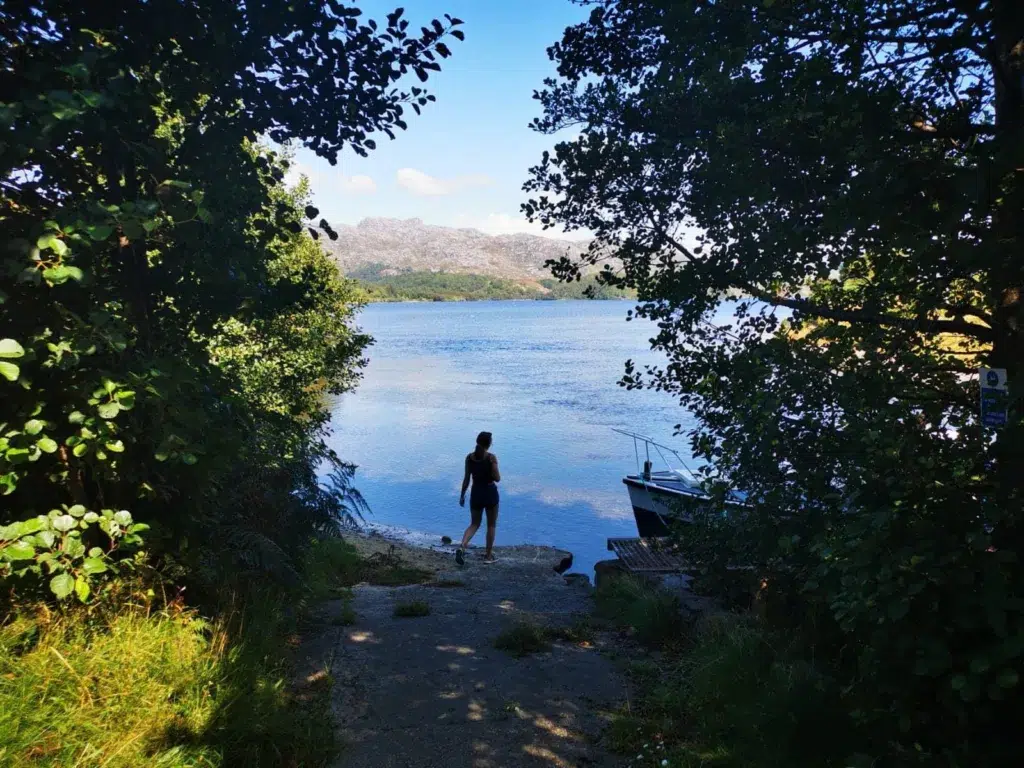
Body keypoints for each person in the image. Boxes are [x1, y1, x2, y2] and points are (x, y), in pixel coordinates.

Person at [456, 431, 500, 565]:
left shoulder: (469, 458)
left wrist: (462, 495)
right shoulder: (491, 458)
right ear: (489, 444)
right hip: (490, 492)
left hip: (476, 493)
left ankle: (462, 546)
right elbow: (497, 478)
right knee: (491, 525)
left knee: (474, 524)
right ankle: (488, 556)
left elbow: (466, 479)